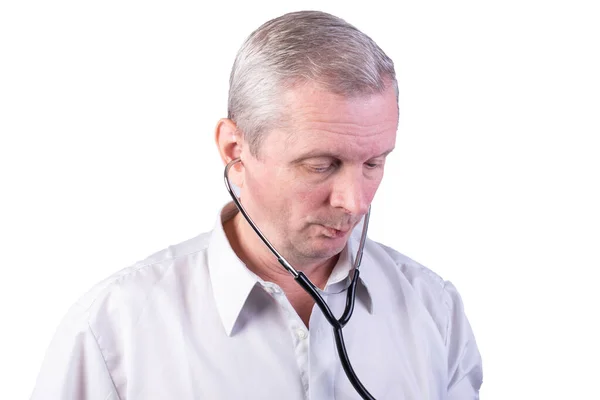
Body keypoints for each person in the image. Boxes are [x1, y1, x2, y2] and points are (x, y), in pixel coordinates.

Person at [31, 10, 483, 400]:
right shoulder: (114, 331)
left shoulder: (435, 312)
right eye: (321, 165)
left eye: (373, 162)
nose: (354, 201)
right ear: (234, 150)